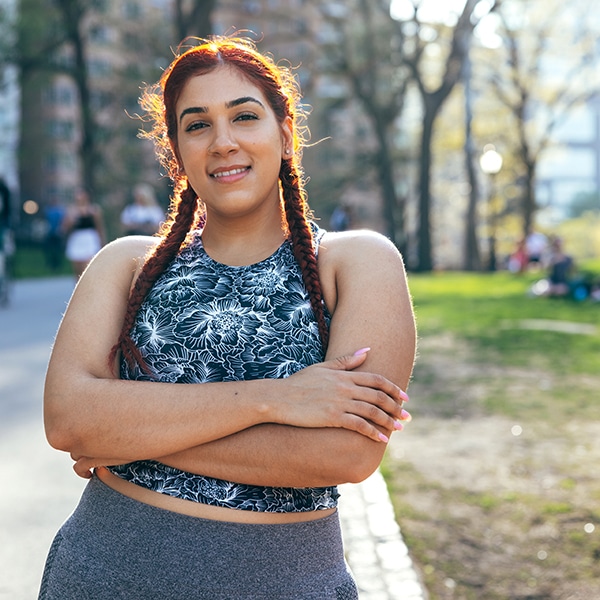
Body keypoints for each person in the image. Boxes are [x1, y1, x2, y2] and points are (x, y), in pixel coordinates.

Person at [39, 37, 416, 599]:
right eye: (197, 125)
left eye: (244, 116)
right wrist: (277, 399)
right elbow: (69, 420)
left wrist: (127, 434)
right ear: (177, 152)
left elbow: (344, 453)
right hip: (102, 572)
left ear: (285, 134)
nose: (223, 142)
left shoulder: (357, 262)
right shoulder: (125, 264)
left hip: (284, 585)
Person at [63, 187, 105, 280]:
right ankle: (78, 291)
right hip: (77, 239)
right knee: (77, 271)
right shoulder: (71, 210)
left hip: (89, 239)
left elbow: (99, 227)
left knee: (87, 268)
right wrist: (71, 220)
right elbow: (65, 228)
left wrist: (102, 242)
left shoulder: (94, 210)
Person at [43, 197, 66, 271]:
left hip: (57, 233)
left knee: (57, 250)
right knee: (49, 249)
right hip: (50, 233)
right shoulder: (48, 210)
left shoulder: (60, 211)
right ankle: (50, 263)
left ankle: (57, 264)